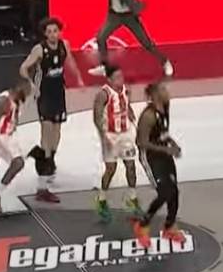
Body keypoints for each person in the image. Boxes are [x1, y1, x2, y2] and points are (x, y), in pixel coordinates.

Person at [19, 17, 84, 203]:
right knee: (46, 131)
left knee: (57, 131)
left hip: (58, 92)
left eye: (55, 31)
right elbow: (23, 68)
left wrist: (79, 79)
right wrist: (32, 85)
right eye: (49, 32)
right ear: (45, 34)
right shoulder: (39, 49)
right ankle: (44, 170)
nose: (53, 34)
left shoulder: (65, 46)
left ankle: (48, 158)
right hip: (44, 93)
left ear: (59, 32)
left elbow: (70, 62)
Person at [82, 0, 173, 77]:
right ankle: (105, 67)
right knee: (101, 38)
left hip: (129, 15)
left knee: (146, 43)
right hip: (114, 15)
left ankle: (165, 61)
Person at [133, 81, 186, 247]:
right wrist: (166, 149)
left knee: (174, 191)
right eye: (163, 89)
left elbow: (163, 131)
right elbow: (141, 142)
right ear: (155, 95)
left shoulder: (165, 108)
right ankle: (142, 225)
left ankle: (169, 226)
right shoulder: (148, 116)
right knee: (164, 192)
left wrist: (173, 143)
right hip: (150, 157)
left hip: (163, 153)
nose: (167, 91)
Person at [92, 64, 141, 222]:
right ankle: (101, 199)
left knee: (131, 166)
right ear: (109, 79)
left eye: (121, 76)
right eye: (117, 77)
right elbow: (96, 117)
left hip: (125, 134)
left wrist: (132, 116)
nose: (121, 79)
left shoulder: (126, 90)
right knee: (111, 169)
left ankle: (132, 199)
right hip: (110, 135)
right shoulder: (103, 94)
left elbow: (127, 105)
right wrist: (104, 138)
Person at [0, 78, 33, 213]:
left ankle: (44, 183)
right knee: (18, 163)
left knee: (35, 151)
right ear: (19, 88)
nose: (28, 95)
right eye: (27, 91)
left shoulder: (17, 100)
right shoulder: (1, 102)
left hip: (9, 134)